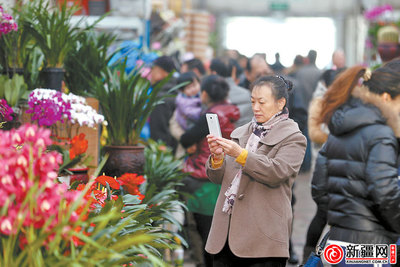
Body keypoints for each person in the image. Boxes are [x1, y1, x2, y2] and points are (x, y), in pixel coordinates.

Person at [205, 75, 307, 266]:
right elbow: (219, 178)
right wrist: (217, 158)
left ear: (280, 103)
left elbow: (276, 172)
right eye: (253, 101)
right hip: (226, 234)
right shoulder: (242, 132)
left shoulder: (294, 137)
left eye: (262, 102)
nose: (256, 107)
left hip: (263, 237)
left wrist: (241, 155)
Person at [311, 66, 400, 266]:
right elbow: (385, 193)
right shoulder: (382, 133)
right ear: (386, 97)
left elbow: (319, 188)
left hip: (339, 242)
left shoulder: (341, 126)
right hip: (374, 246)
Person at [180, 75, 240, 267]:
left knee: (206, 232)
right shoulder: (231, 112)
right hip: (226, 175)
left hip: (204, 176)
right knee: (219, 229)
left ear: (205, 93)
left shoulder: (210, 116)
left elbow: (186, 138)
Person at [209, 57, 253, 127]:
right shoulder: (248, 94)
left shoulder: (211, 96)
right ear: (233, 71)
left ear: (213, 73)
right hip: (246, 136)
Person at [169, 71, 202, 158]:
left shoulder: (203, 96)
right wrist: (188, 141)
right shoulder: (182, 102)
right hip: (187, 136)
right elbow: (174, 124)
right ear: (182, 90)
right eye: (188, 88)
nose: (193, 89)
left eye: (194, 85)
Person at [149, 55, 178, 150]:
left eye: (153, 69)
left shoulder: (161, 97)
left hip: (164, 151)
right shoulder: (174, 89)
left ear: (163, 72)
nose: (151, 73)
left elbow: (159, 132)